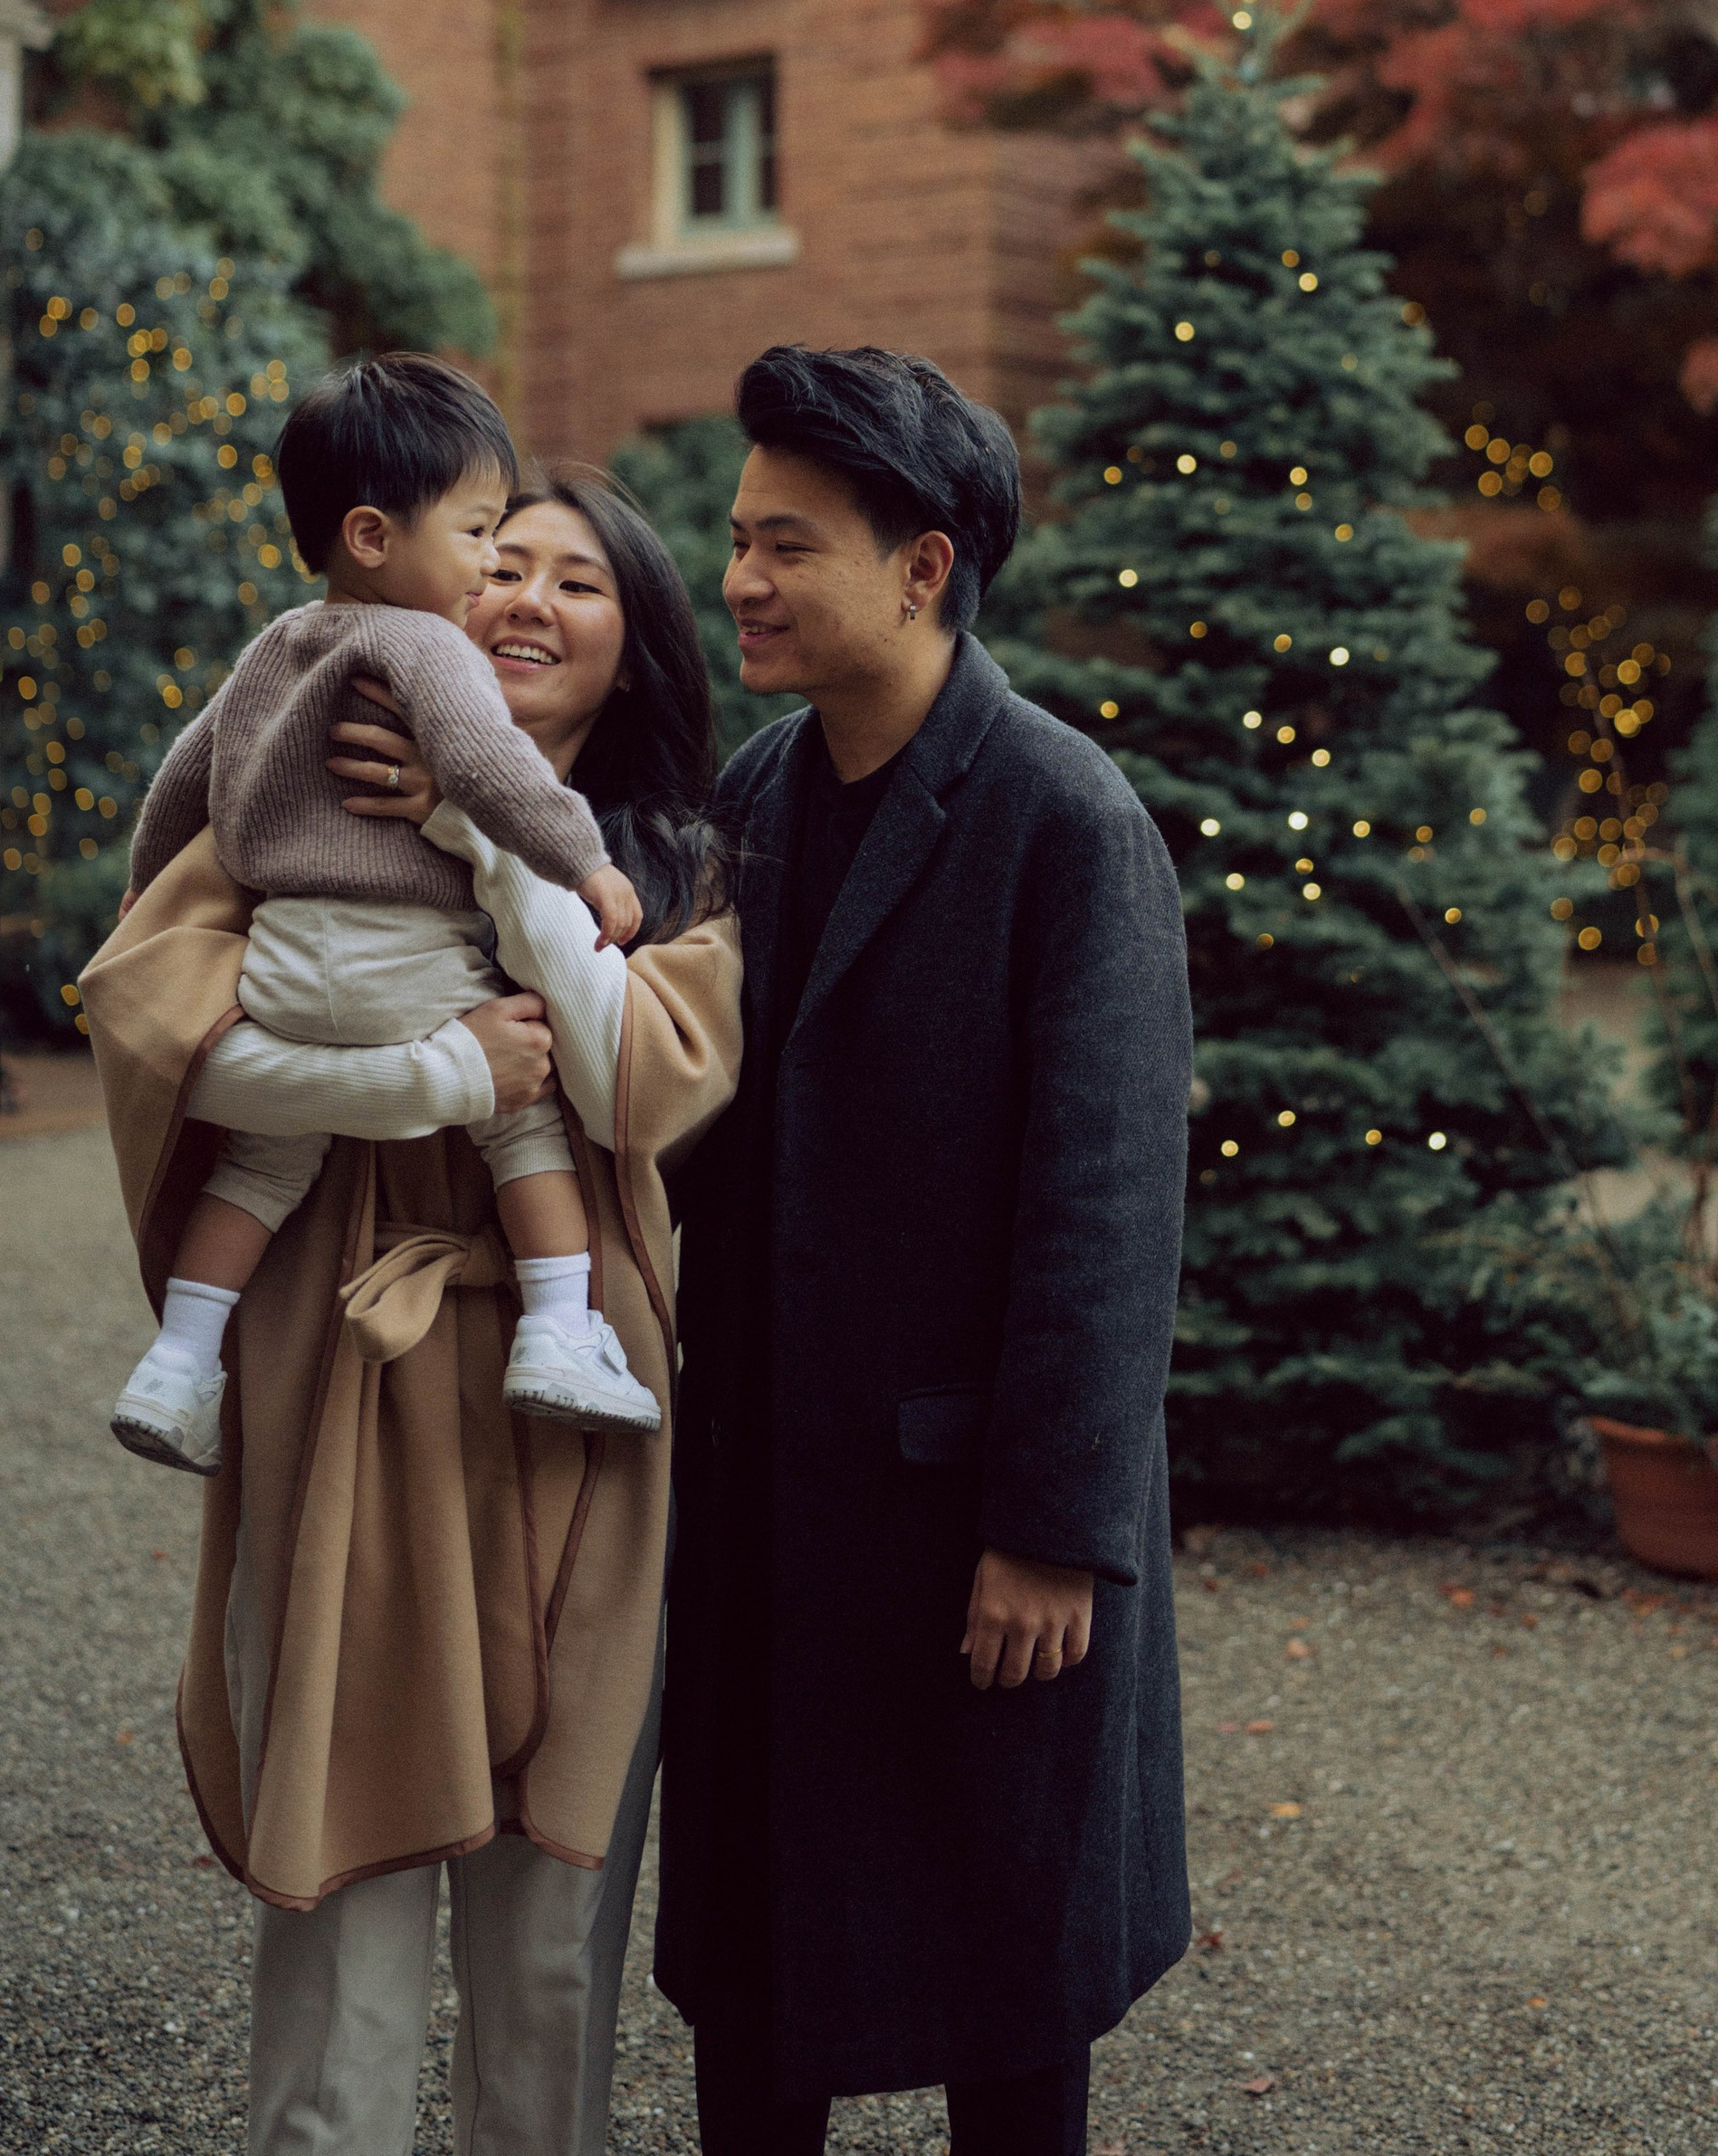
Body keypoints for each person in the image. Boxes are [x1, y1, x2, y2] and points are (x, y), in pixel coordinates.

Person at [81, 469, 743, 2156]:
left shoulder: (677, 865)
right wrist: (424, 1077)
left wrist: (481, 835)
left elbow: (629, 1080)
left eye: (576, 579)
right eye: (499, 560)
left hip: (570, 1402)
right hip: (337, 1373)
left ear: (637, 638)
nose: (524, 595)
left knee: (545, 1931)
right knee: (342, 1875)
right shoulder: (297, 802)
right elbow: (159, 1029)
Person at [658, 345, 1194, 2156]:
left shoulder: (1066, 821)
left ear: (924, 567)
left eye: (784, 544)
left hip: (975, 1529)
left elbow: (1105, 1213)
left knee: (1008, 2008)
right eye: (737, 539)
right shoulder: (750, 794)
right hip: (770, 1516)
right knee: (759, 1994)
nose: (739, 577)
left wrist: (1051, 1532)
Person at [110, 358, 654, 1476]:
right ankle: (559, 1332)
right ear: (371, 537)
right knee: (524, 1124)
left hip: (282, 965)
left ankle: (176, 1361)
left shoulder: (272, 648)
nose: (491, 567)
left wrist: (141, 891)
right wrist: (584, 861)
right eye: (480, 536)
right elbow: (487, 762)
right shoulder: (424, 644)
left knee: (258, 1170)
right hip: (404, 959)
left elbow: (178, 779)